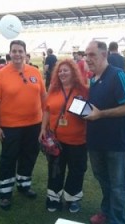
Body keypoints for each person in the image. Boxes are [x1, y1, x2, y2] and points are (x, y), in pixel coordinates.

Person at [84, 41, 125, 224]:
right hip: (96, 142)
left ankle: (117, 220)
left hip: (116, 144)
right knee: (103, 180)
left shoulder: (119, 75)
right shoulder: (92, 79)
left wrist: (100, 114)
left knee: (117, 186)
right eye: (86, 55)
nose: (88, 59)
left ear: (104, 54)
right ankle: (106, 212)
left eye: (92, 54)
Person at [0, 40, 46, 210]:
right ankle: (5, 193)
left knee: (29, 155)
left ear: (25, 53)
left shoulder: (35, 72)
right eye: (14, 51)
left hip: (34, 124)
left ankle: (24, 185)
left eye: (20, 51)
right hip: (10, 126)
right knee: (8, 158)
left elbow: (43, 96)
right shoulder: (1, 74)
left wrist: (46, 121)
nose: (17, 54)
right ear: (9, 53)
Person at [38, 59, 88, 213]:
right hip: (56, 140)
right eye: (60, 71)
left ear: (73, 72)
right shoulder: (53, 90)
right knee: (55, 169)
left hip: (78, 140)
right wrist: (42, 129)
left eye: (66, 70)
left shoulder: (84, 90)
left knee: (76, 170)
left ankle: (73, 198)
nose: (62, 73)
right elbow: (46, 110)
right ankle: (53, 197)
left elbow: (90, 111)